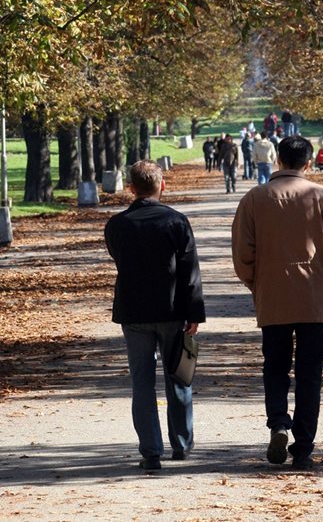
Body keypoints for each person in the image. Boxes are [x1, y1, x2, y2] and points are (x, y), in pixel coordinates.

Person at [232, 135, 323, 470]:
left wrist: (254, 281)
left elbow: (243, 252)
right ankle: (304, 446)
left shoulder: (255, 199)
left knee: (275, 367)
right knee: (310, 373)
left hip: (273, 296)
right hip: (313, 296)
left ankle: (279, 422)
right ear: (309, 163)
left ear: (279, 160)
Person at [104, 160, 206, 472]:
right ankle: (181, 442)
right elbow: (190, 271)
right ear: (162, 185)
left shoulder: (117, 225)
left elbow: (117, 257)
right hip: (173, 310)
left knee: (142, 382)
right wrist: (195, 312)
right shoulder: (176, 221)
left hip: (133, 312)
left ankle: (151, 450)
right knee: (178, 376)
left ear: (131, 188)